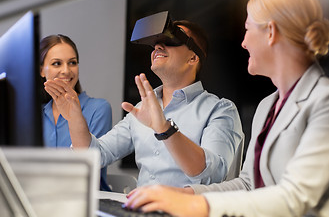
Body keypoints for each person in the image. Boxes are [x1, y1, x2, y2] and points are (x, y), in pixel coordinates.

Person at [123, 0, 329, 217]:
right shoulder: (267, 107)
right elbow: (247, 185)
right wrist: (185, 193)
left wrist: (195, 206)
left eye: (247, 30)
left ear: (270, 32)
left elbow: (296, 196)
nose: (243, 43)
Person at [44, 20, 244, 188]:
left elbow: (212, 176)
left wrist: (165, 129)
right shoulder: (141, 110)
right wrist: (74, 117)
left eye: (171, 39)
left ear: (193, 57)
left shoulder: (220, 110)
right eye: (155, 43)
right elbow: (96, 155)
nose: (158, 46)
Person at [40, 34, 113, 191]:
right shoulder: (33, 116)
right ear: (41, 70)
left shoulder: (98, 108)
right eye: (57, 63)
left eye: (72, 63)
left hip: (87, 202)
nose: (66, 71)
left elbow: (89, 166)